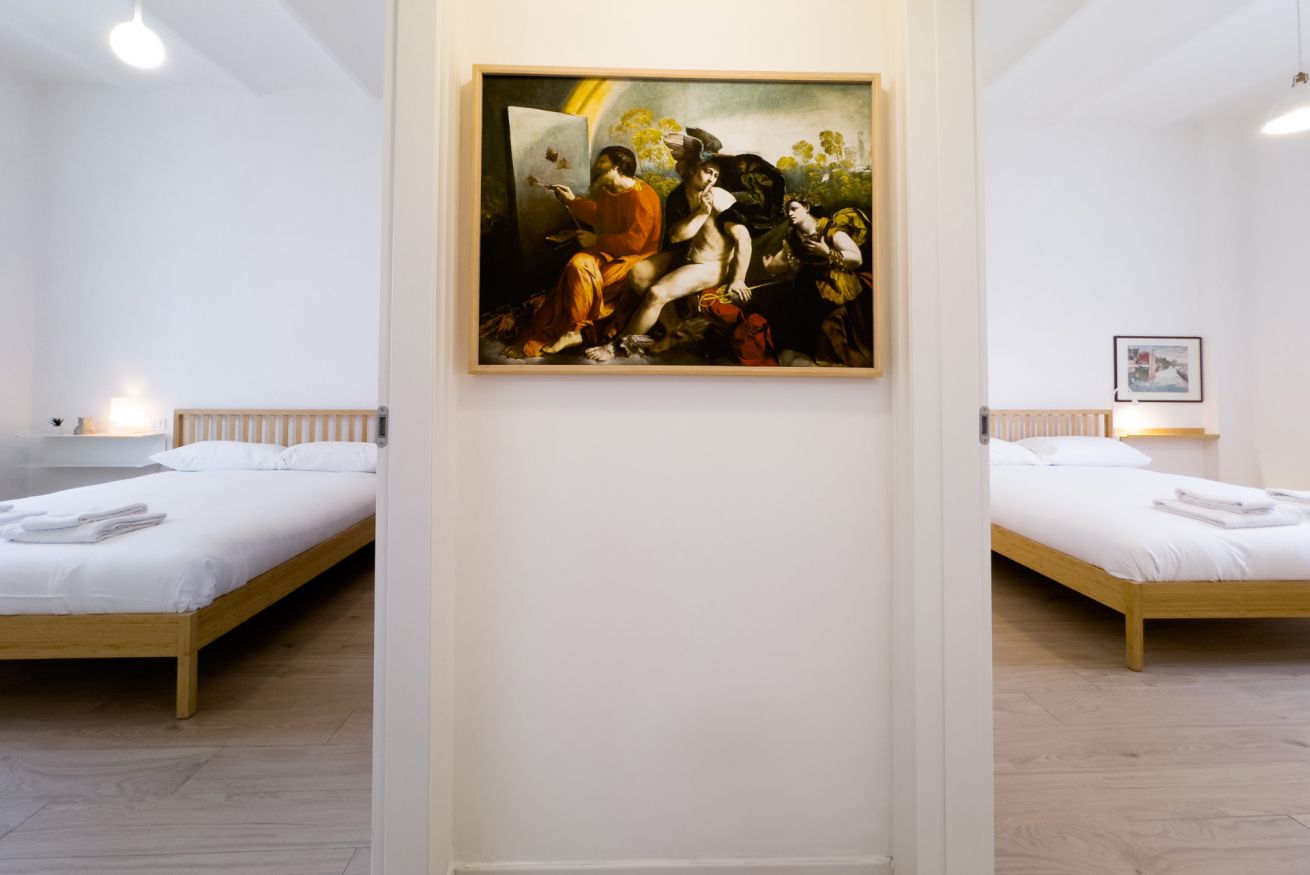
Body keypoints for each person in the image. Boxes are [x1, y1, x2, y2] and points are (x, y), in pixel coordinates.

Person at [585, 154, 753, 361]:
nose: (711, 179)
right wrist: (701, 213)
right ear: (692, 169)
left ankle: (619, 346)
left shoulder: (720, 198)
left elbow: (743, 238)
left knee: (657, 293)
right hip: (687, 256)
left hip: (711, 265)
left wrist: (738, 279)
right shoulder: (679, 196)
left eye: (715, 175)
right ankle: (674, 329)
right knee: (638, 273)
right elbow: (676, 237)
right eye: (707, 172)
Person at [503, 145, 661, 359]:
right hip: (609, 251)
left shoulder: (642, 196)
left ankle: (576, 331)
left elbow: (636, 242)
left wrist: (596, 240)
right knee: (577, 264)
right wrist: (572, 201)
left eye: (602, 162)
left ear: (617, 167)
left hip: (636, 258)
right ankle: (574, 329)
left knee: (592, 277)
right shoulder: (606, 192)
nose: (596, 166)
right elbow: (601, 216)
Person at [762, 192, 874, 367]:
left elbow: (856, 258)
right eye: (787, 211)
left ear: (806, 208)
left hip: (836, 285)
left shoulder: (830, 229)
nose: (790, 214)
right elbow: (783, 259)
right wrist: (770, 266)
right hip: (808, 286)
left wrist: (827, 253)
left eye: (794, 209)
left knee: (829, 322)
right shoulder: (794, 234)